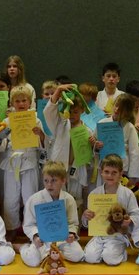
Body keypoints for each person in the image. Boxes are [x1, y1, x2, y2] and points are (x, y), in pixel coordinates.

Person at [0, 85, 45, 240]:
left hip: (29, 162)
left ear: (30, 102)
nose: (21, 103)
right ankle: (11, 228)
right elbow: (1, 146)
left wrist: (40, 135)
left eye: (24, 100)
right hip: (12, 163)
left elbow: (43, 145)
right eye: (17, 101)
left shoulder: (35, 120)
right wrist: (0, 137)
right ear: (12, 103)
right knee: (10, 197)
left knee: (30, 196)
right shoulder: (6, 121)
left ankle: (31, 229)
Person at [20, 161, 85, 267]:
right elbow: (28, 224)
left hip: (62, 239)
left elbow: (73, 223)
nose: (49, 184)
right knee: (33, 261)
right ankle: (23, 248)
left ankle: (52, 253)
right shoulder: (34, 199)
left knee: (78, 255)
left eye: (54, 181)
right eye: (46, 181)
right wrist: (35, 236)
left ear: (63, 180)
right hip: (43, 239)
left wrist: (71, 234)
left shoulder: (68, 199)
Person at [44, 84, 94, 212]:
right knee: (56, 197)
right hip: (59, 167)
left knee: (76, 199)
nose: (71, 114)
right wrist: (58, 91)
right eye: (69, 111)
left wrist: (93, 144)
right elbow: (48, 112)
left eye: (75, 112)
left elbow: (91, 154)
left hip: (76, 168)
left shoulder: (87, 131)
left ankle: (74, 228)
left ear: (82, 110)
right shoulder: (60, 124)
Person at [82, 154, 139, 265]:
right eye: (107, 171)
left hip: (118, 235)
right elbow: (87, 222)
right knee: (90, 258)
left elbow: (136, 213)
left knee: (110, 259)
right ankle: (103, 251)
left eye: (114, 172)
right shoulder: (94, 194)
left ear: (121, 173)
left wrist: (130, 220)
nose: (110, 175)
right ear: (101, 172)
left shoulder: (128, 194)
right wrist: (85, 216)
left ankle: (121, 253)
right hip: (99, 234)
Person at [95, 94, 139, 185]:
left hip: (122, 171)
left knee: (120, 196)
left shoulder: (130, 127)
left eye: (121, 109)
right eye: (116, 106)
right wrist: (97, 147)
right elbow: (94, 147)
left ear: (127, 112)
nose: (116, 110)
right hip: (104, 169)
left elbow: (135, 152)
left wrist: (132, 176)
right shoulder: (102, 124)